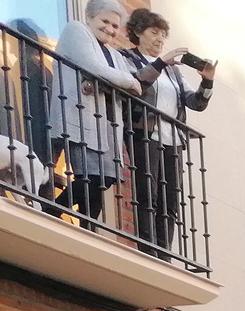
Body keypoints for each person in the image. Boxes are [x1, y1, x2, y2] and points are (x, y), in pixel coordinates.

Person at [121, 7, 213, 258]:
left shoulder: (173, 71)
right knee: (147, 193)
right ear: (138, 32)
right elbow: (135, 84)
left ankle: (164, 254)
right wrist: (161, 62)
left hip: (173, 139)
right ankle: (148, 250)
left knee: (170, 199)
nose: (160, 39)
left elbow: (195, 103)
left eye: (163, 35)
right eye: (154, 32)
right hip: (145, 135)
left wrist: (207, 81)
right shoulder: (128, 58)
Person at [52, 1, 143, 227]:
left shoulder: (115, 54)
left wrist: (108, 83)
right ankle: (56, 212)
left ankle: (74, 221)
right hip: (81, 119)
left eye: (115, 25)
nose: (110, 29)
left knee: (105, 180)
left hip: (109, 127)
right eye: (105, 21)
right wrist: (127, 81)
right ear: (90, 17)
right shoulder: (76, 30)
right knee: (90, 178)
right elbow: (94, 68)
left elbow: (134, 88)